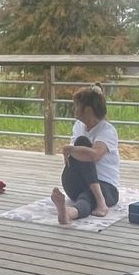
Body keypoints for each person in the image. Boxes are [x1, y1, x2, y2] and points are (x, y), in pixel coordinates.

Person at [51, 85, 120, 224]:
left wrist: (71, 149)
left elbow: (95, 155)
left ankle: (69, 213)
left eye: (77, 106)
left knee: (87, 199)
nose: (74, 109)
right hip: (75, 183)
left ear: (87, 110)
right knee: (81, 143)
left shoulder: (107, 130)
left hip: (105, 186)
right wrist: (74, 150)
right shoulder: (78, 126)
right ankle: (98, 202)